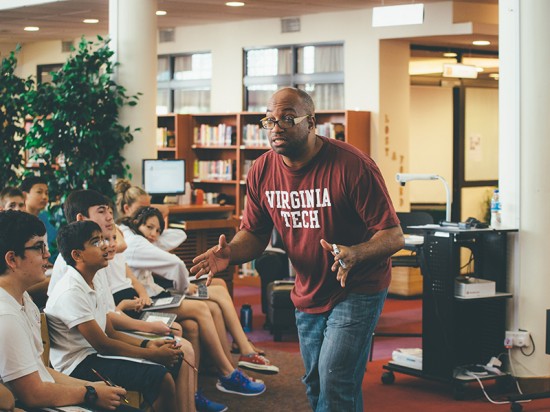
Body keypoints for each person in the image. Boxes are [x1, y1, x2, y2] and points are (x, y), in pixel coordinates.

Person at [191, 87, 405, 411]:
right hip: (308, 289)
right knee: (316, 383)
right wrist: (230, 254)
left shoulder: (352, 166)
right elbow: (253, 233)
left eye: (288, 119)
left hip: (357, 287)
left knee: (335, 379)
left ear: (311, 122)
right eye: (270, 120)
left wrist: (356, 254)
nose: (277, 127)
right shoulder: (262, 171)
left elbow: (393, 235)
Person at [45, 220, 191, 412]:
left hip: (93, 354)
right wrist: (153, 355)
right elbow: (103, 345)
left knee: (172, 362)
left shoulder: (93, 278)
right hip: (77, 365)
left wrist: (148, 344)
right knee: (161, 378)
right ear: (77, 255)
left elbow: (110, 332)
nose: (105, 245)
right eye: (96, 242)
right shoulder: (71, 291)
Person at [0, 210, 136, 411]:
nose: (47, 254)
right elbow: (33, 394)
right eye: (39, 248)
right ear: (12, 259)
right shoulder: (6, 315)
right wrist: (89, 393)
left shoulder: (23, 299)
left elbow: (40, 370)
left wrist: (90, 386)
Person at [121, 206, 278, 374]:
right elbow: (176, 264)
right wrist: (185, 289)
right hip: (150, 297)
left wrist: (153, 230)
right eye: (149, 227)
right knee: (216, 297)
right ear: (134, 220)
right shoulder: (136, 243)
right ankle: (242, 352)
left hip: (156, 289)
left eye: (158, 230)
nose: (154, 233)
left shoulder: (139, 238)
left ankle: (235, 357)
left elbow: (179, 234)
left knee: (219, 285)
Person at [20, 176, 58, 264]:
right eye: (39, 192)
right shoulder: (18, 222)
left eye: (46, 193)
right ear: (25, 195)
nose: (44, 197)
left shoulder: (45, 218)